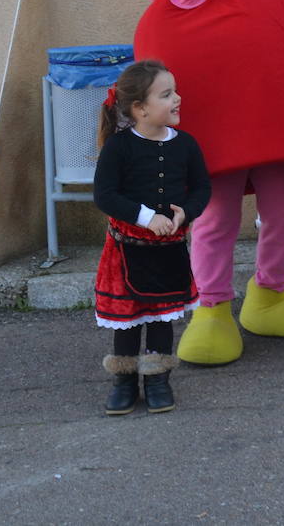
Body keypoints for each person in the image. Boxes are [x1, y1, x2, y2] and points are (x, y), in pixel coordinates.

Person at [93, 59, 211, 415]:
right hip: (128, 248)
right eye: (166, 94)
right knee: (129, 318)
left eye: (174, 91)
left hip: (169, 250)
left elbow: (202, 188)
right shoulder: (120, 147)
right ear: (140, 109)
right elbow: (105, 195)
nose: (177, 99)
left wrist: (185, 213)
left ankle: (158, 379)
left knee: (162, 316)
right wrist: (147, 217)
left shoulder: (186, 145)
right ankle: (125, 381)